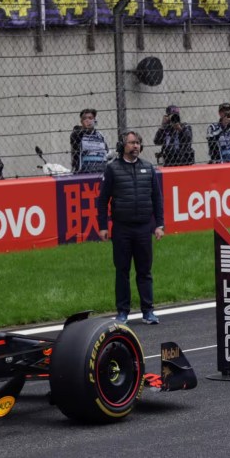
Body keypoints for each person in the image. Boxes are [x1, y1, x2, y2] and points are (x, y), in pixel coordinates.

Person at [97, 131, 164, 325]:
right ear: (123, 146)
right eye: (132, 142)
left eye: (138, 143)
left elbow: (157, 198)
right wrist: (103, 226)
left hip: (144, 228)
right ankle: (122, 312)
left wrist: (159, 224)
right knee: (122, 271)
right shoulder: (112, 169)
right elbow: (102, 200)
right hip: (122, 229)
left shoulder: (148, 168)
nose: (135, 146)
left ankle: (148, 310)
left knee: (145, 271)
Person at [70, 108, 109, 173]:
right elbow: (76, 135)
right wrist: (83, 129)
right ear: (81, 122)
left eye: (90, 118)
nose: (88, 120)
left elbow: (106, 152)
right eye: (85, 119)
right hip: (83, 171)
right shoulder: (77, 134)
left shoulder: (100, 135)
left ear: (94, 120)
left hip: (101, 170)